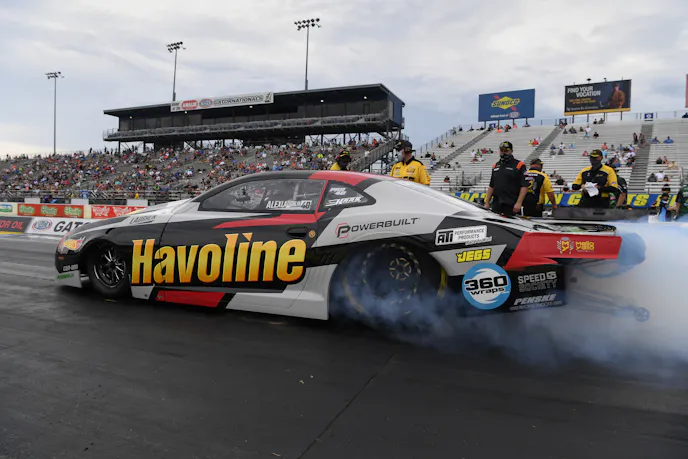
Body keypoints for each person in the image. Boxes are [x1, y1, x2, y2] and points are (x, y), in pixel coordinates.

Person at [484, 141, 528, 216]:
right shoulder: (495, 165)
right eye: (502, 150)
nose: (503, 152)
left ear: (511, 151)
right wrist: (487, 202)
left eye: (506, 151)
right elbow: (491, 185)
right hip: (496, 204)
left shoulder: (519, 165)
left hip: (512, 203)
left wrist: (519, 203)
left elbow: (524, 186)